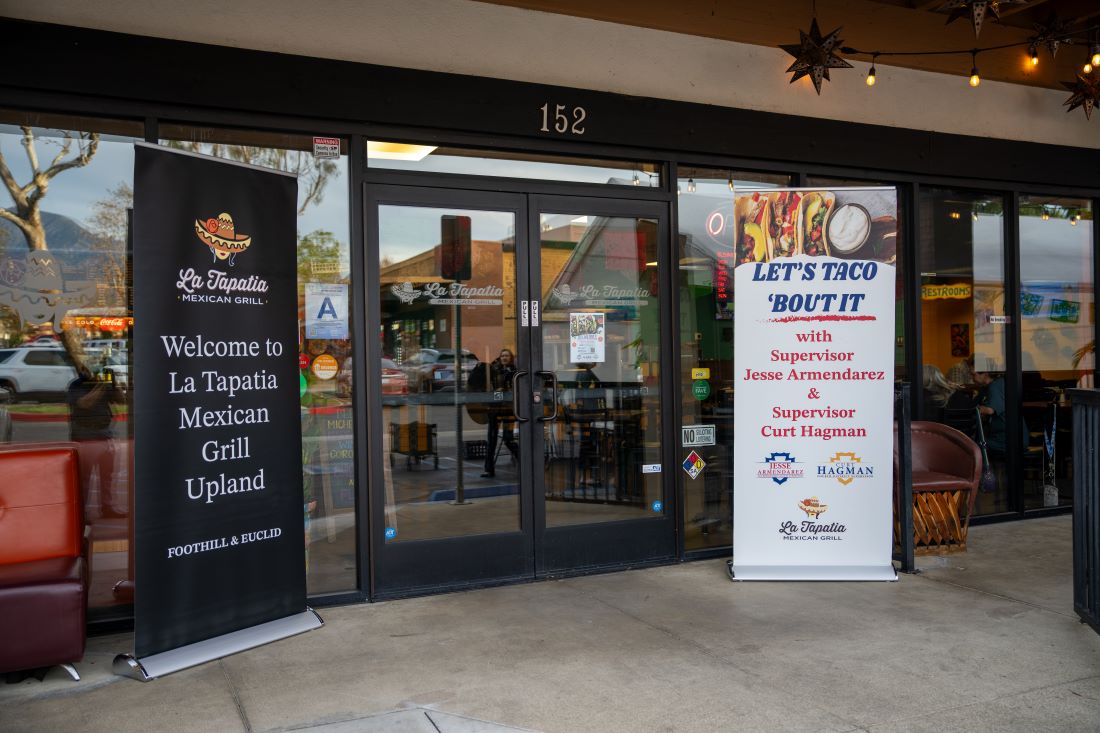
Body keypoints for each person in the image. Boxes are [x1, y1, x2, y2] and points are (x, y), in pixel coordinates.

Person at [64, 331, 127, 518]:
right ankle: (80, 513)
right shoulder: (76, 385)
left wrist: (114, 385)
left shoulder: (104, 384)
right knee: (84, 478)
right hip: (85, 436)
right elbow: (84, 403)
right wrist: (101, 386)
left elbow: (121, 401)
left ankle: (107, 507)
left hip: (104, 433)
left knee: (108, 475)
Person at [481, 348, 518, 478]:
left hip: (508, 409)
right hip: (496, 408)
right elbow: (489, 388)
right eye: (502, 356)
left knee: (508, 439)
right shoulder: (494, 370)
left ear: (511, 358)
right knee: (491, 439)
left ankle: (524, 462)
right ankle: (488, 469)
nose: (504, 358)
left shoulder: (515, 372)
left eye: (507, 356)